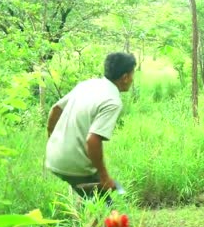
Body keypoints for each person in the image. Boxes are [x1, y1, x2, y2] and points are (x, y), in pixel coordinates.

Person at [45, 52, 136, 203]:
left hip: (53, 157)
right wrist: (104, 177)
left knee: (89, 197)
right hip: (74, 166)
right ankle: (91, 220)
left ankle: (82, 211)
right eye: (133, 75)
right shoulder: (112, 101)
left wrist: (53, 140)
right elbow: (93, 140)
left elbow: (55, 109)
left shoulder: (87, 85)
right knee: (105, 211)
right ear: (125, 77)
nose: (133, 79)